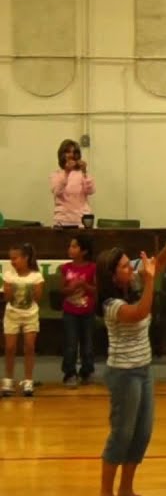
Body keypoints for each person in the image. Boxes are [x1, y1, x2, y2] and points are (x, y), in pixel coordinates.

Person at [94, 232, 166, 496]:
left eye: (131, 265)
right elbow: (140, 313)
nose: (132, 269)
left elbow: (158, 265)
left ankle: (126, 490)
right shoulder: (111, 304)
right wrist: (151, 280)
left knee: (141, 433)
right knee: (122, 433)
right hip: (123, 373)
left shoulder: (132, 285)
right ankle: (105, 495)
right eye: (125, 267)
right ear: (111, 275)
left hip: (143, 369)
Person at [3, 243, 44, 397]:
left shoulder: (36, 276)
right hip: (12, 315)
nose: (12, 262)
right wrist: (8, 291)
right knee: (10, 347)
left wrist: (33, 290)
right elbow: (7, 298)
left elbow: (38, 298)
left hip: (30, 315)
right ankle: (8, 379)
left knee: (29, 346)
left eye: (15, 258)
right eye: (10, 259)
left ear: (25, 258)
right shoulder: (8, 275)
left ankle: (28, 380)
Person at [60, 234, 98, 386]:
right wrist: (71, 288)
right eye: (70, 246)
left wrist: (84, 285)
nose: (70, 249)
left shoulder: (92, 268)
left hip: (87, 312)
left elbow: (96, 290)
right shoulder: (65, 268)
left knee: (87, 344)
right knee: (70, 344)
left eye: (74, 246)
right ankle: (69, 373)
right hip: (70, 312)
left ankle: (86, 371)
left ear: (84, 251)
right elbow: (62, 290)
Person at [50, 139, 95, 228]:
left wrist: (85, 172)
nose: (71, 155)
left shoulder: (82, 174)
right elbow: (57, 191)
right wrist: (67, 172)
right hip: (62, 221)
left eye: (73, 152)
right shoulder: (56, 175)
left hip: (82, 221)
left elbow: (91, 190)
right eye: (67, 152)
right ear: (62, 155)